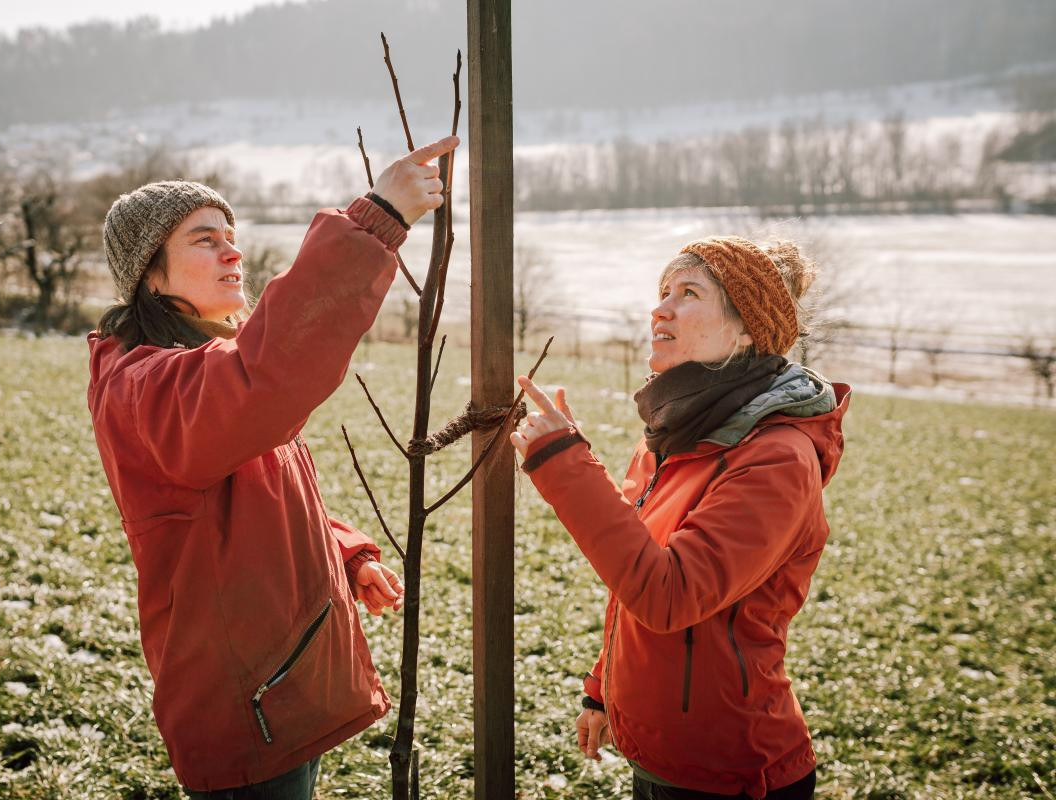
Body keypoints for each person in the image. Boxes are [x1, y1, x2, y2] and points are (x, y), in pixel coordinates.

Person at [86, 135, 459, 798]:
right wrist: (376, 220)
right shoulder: (143, 386)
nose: (233, 250)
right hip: (242, 708)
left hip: (281, 687)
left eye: (231, 234)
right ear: (150, 273)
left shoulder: (200, 369)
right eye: (204, 239)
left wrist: (346, 553)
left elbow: (253, 494)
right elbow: (267, 374)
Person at [510, 236, 851, 800]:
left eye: (688, 293)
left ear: (746, 331)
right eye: (663, 291)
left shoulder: (777, 457)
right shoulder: (677, 437)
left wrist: (563, 462)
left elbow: (669, 594)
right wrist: (603, 690)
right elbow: (632, 575)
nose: (660, 308)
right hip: (661, 758)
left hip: (732, 773)